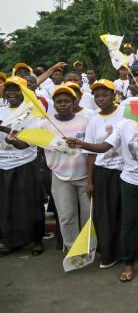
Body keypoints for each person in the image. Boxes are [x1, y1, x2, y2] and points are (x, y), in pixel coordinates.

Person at [66, 90, 138, 283]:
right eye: (135, 102)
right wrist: (82, 144)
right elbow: (104, 147)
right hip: (130, 179)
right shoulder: (123, 125)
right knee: (130, 221)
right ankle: (129, 263)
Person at [38, 85, 91, 251]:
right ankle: (72, 249)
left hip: (84, 177)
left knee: (87, 216)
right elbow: (28, 142)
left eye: (67, 101)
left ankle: (88, 247)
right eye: (59, 101)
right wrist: (13, 139)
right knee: (67, 217)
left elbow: (91, 151)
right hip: (60, 178)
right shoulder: (45, 124)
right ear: (53, 103)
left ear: (73, 102)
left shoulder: (86, 121)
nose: (63, 104)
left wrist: (91, 178)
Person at [0, 77, 45, 257]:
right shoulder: (0, 110)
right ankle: (12, 241)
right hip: (3, 164)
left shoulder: (31, 112)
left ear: (25, 92)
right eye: (9, 89)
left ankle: (37, 240)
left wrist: (6, 131)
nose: (12, 93)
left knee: (31, 203)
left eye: (17, 89)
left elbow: (26, 144)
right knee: (6, 206)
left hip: (25, 163)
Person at [83, 79, 126, 268]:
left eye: (105, 94)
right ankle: (109, 254)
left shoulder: (125, 114)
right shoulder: (94, 120)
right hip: (103, 173)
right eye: (97, 95)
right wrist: (90, 180)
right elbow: (91, 153)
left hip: (125, 172)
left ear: (114, 95)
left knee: (125, 214)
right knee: (105, 215)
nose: (100, 99)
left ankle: (128, 251)